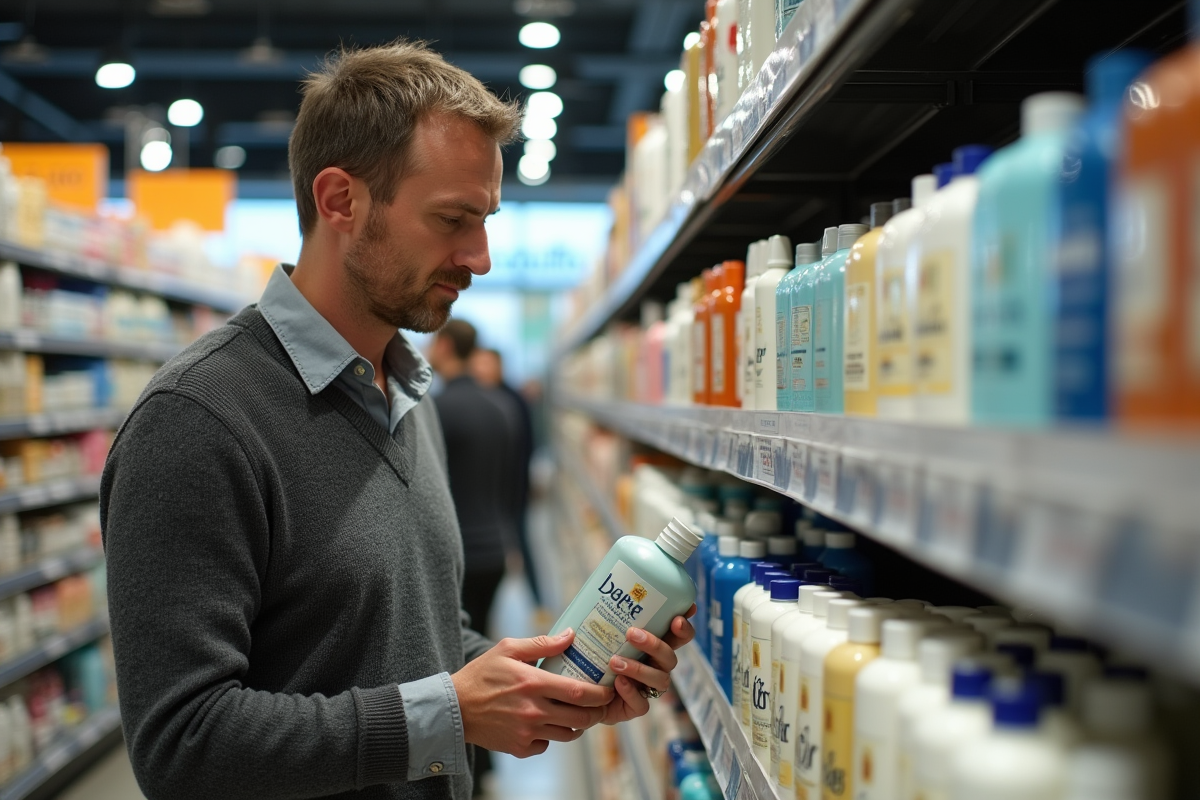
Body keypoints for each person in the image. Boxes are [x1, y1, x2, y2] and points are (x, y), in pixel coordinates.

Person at [100, 40, 694, 800]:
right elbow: (181, 745)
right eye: (453, 219)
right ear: (340, 200)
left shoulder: (407, 394)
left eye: (485, 221)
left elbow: (417, 639)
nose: (479, 258)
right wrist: (446, 712)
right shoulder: (198, 421)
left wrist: (553, 681)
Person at [428, 322, 517, 793]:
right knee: (484, 645)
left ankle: (471, 765)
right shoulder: (499, 407)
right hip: (495, 550)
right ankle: (488, 765)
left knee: (456, 671)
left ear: (444, 346)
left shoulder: (436, 409)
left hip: (456, 555)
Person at [468, 348, 539, 608]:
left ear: (499, 366)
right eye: (477, 365)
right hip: (487, 495)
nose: (481, 370)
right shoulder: (478, 401)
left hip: (514, 490)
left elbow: (527, 448)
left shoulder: (513, 401)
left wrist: (525, 486)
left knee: (523, 545)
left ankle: (538, 602)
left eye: (487, 364)